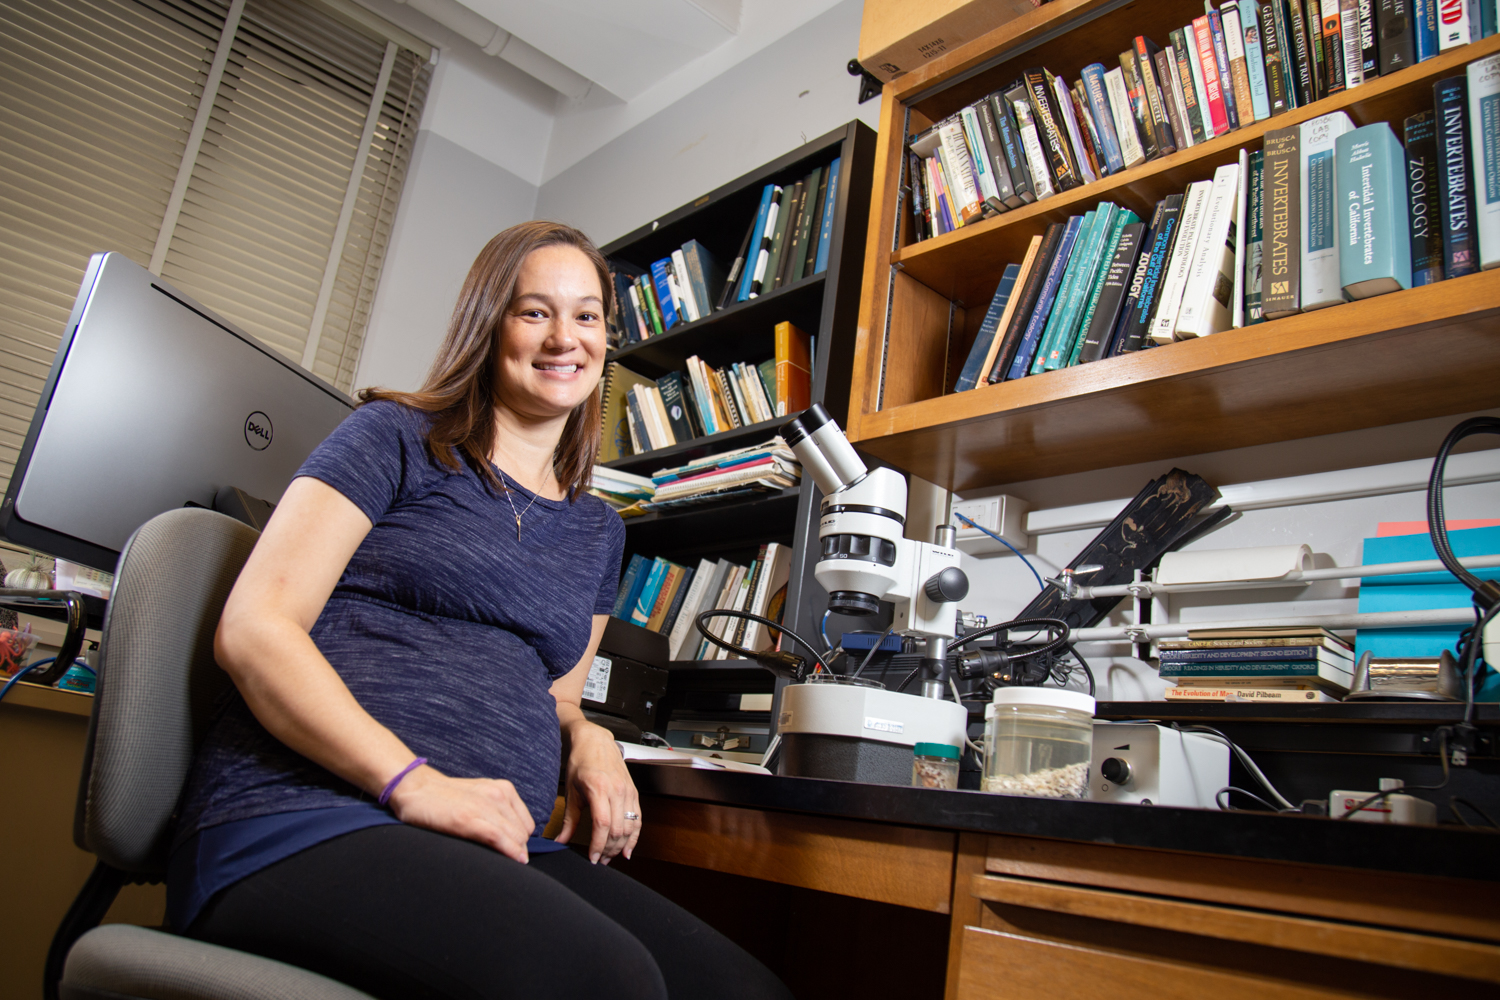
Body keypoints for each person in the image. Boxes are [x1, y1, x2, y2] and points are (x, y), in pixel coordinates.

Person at [168, 221, 792, 1000]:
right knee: (605, 982)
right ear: (486, 324)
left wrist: (587, 735)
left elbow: (557, 696)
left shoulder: (599, 530)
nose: (565, 337)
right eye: (534, 312)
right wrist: (413, 781)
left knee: (746, 993)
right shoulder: (394, 438)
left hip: (489, 836)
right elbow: (254, 628)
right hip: (309, 812)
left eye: (587, 315)